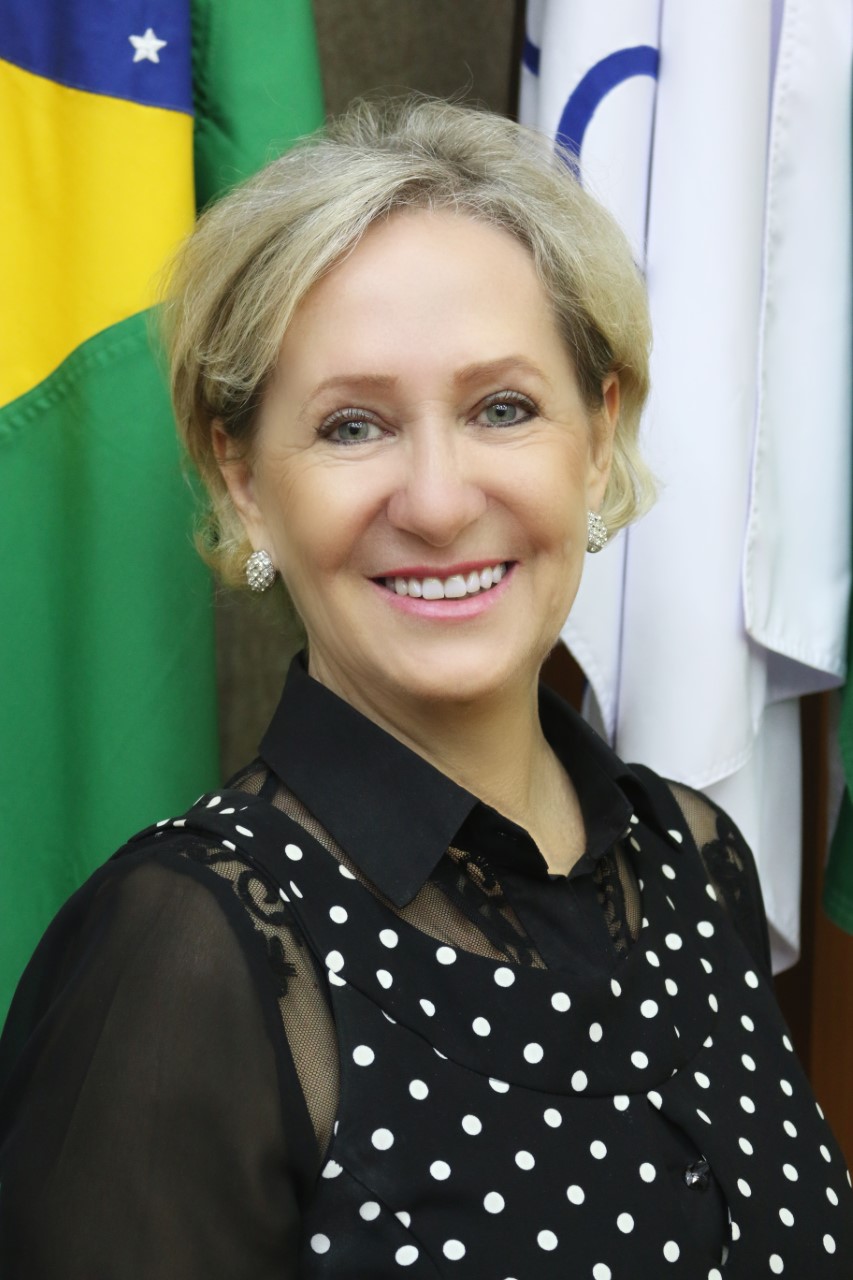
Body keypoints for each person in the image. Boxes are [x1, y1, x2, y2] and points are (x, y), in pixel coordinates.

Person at [0, 97, 850, 1279]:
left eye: (503, 407)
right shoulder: (185, 951)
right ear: (241, 479)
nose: (440, 502)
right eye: (353, 426)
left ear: (597, 435)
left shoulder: (695, 857)